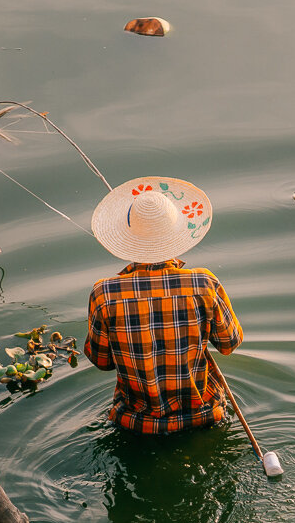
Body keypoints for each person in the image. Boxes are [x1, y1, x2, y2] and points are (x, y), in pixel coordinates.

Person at [84, 177, 243, 434]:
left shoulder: (104, 293)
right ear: (177, 234)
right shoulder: (204, 283)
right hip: (203, 415)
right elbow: (229, 344)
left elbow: (101, 361)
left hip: (135, 423)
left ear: (127, 238)